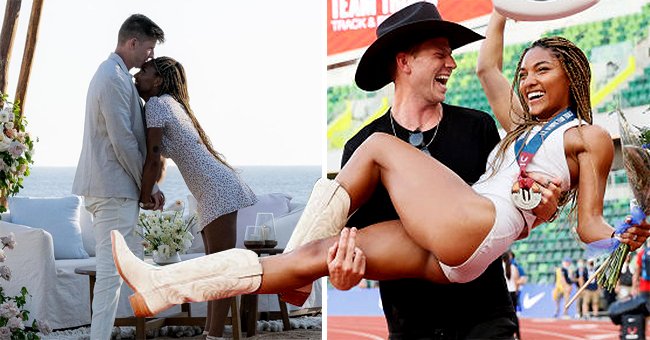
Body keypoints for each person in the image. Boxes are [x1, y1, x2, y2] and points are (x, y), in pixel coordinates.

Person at [109, 5, 650, 319]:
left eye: (543, 71)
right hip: (444, 267)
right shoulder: (520, 129)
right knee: (318, 254)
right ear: (403, 62)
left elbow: (589, 225)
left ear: (573, 77)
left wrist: (622, 233)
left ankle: (293, 269)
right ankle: (166, 286)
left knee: (378, 151)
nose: (528, 80)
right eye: (526, 72)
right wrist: (506, 11)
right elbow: (492, 63)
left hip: (481, 247)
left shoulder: (586, 136)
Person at [329, 2, 562, 338]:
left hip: (486, 322)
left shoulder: (478, 127)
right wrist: (345, 274)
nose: (452, 63)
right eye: (440, 54)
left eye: (450, 54)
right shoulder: (359, 148)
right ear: (404, 62)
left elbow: (508, 222)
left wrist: (542, 209)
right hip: (411, 328)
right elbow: (358, 247)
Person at [134, 56, 257, 338]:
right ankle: (210, 333)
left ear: (159, 81)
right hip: (211, 189)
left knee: (220, 268)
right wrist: (152, 189)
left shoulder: (156, 104)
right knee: (213, 267)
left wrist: (144, 196)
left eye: (145, 71)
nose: (137, 75)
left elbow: (154, 158)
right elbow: (159, 161)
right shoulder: (169, 104)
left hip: (217, 188)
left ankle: (212, 335)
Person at [71, 14, 165, 340]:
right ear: (133, 42)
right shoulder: (112, 77)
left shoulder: (118, 76)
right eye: (149, 49)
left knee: (123, 273)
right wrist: (145, 186)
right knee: (110, 278)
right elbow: (122, 140)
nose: (150, 57)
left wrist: (148, 187)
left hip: (115, 190)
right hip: (112, 191)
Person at [502, 252, 521, 338]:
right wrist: (516, 292)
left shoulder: (500, 267)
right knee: (514, 315)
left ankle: (507, 335)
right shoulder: (513, 267)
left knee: (504, 316)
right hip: (513, 293)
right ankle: (517, 335)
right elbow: (517, 281)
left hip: (504, 293)